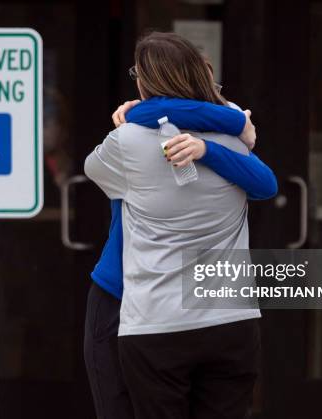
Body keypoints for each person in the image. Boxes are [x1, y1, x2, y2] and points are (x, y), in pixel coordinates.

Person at [84, 32, 277, 419]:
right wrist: (232, 126)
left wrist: (135, 116)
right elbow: (266, 184)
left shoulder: (127, 141)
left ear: (146, 81)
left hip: (150, 315)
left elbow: (95, 170)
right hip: (230, 319)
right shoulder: (237, 137)